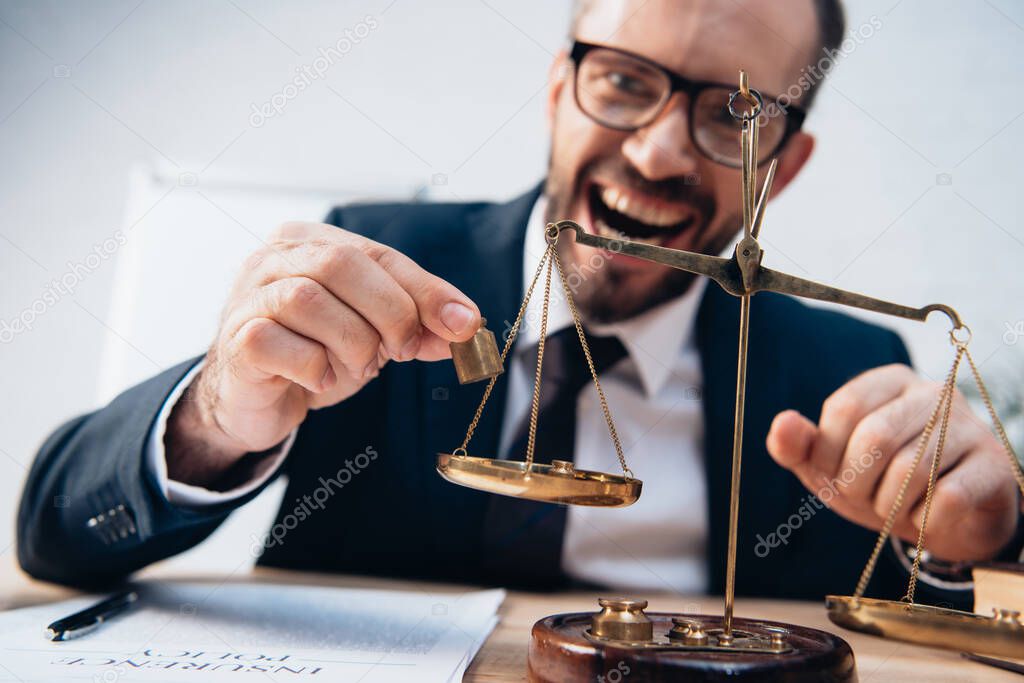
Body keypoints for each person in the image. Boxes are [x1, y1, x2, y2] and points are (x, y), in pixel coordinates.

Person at [18, 0, 1021, 606]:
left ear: (784, 167)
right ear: (557, 88)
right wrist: (213, 418)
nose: (658, 152)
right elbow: (55, 534)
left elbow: (924, 622)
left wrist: (978, 536)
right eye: (624, 82)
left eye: (734, 116)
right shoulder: (380, 268)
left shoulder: (841, 368)